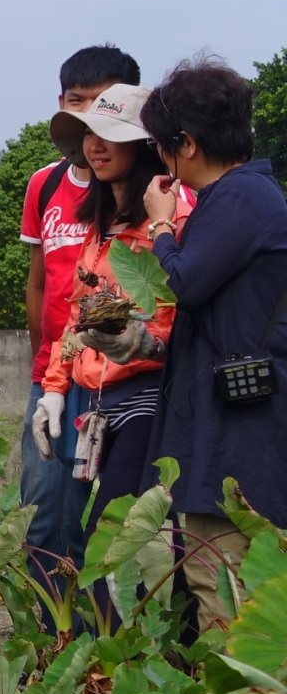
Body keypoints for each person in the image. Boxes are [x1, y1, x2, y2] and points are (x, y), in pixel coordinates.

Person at [141, 59, 287, 631]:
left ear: (188, 144)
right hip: (230, 420)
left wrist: (159, 226)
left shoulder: (240, 199)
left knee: (224, 588)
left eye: (160, 145)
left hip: (238, 433)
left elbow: (184, 280)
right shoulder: (244, 196)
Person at [34, 85, 187, 603]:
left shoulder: (171, 219)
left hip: (151, 398)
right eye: (88, 135)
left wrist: (147, 342)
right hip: (100, 401)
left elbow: (182, 306)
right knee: (130, 540)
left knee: (117, 534)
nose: (96, 146)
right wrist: (54, 386)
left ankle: (115, 662)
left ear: (146, 145)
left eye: (111, 136)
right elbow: (75, 318)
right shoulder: (98, 226)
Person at [20, 46, 142, 595]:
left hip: (130, 378)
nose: (94, 123)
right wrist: (43, 364)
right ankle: (56, 635)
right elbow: (41, 282)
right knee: (44, 511)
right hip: (56, 375)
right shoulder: (45, 185)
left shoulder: (159, 196)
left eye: (105, 105)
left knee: (117, 523)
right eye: (79, 105)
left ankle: (113, 641)